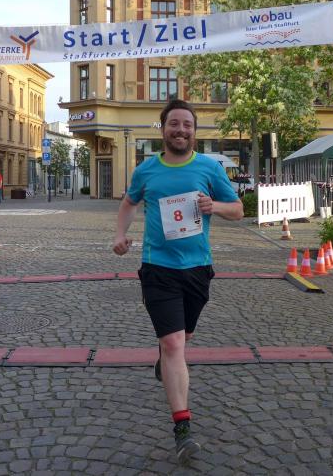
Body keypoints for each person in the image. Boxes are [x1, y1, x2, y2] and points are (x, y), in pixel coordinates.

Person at [112, 99, 243, 464]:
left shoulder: (209, 168)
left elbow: (238, 210)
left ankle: (165, 359)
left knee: (182, 339)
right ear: (163, 128)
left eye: (187, 124)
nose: (181, 130)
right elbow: (129, 202)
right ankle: (182, 429)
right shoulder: (146, 170)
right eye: (174, 123)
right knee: (172, 343)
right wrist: (119, 235)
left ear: (194, 131)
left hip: (198, 268)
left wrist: (214, 206)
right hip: (158, 268)